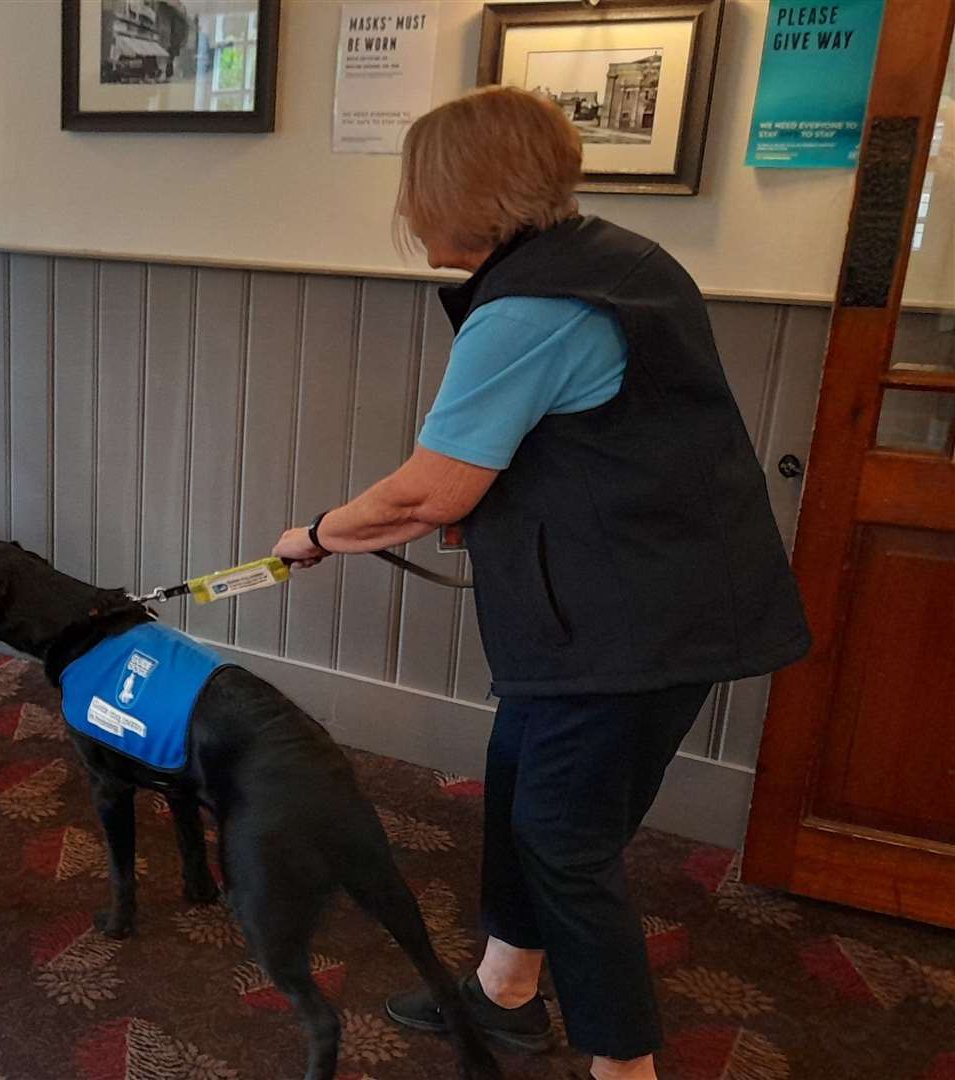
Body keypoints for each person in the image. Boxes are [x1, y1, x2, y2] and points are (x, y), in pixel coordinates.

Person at [270, 87, 810, 1080]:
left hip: (626, 626)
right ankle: (506, 993)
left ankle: (624, 1070)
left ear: (451, 194)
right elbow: (604, 446)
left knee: (566, 846)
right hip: (645, 603)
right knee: (523, 781)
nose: (406, 208)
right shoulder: (620, 260)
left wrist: (313, 536)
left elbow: (428, 491)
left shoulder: (529, 309)